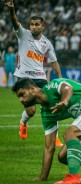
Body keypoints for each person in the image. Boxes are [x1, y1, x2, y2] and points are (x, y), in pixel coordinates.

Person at [12, 78, 81, 183]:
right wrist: (42, 177)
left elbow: (68, 89)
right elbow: (49, 148)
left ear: (32, 89)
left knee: (70, 133)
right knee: (63, 156)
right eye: (19, 97)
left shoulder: (51, 86)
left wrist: (64, 101)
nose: (21, 100)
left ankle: (74, 177)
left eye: (22, 94)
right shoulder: (46, 114)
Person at [6, 0, 63, 146]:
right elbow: (15, 22)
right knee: (31, 111)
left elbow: (54, 62)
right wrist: (12, 10)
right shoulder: (23, 35)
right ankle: (23, 123)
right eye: (32, 24)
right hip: (24, 77)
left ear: (43, 26)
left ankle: (55, 136)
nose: (34, 27)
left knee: (52, 104)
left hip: (39, 78)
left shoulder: (47, 43)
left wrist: (61, 79)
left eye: (37, 24)